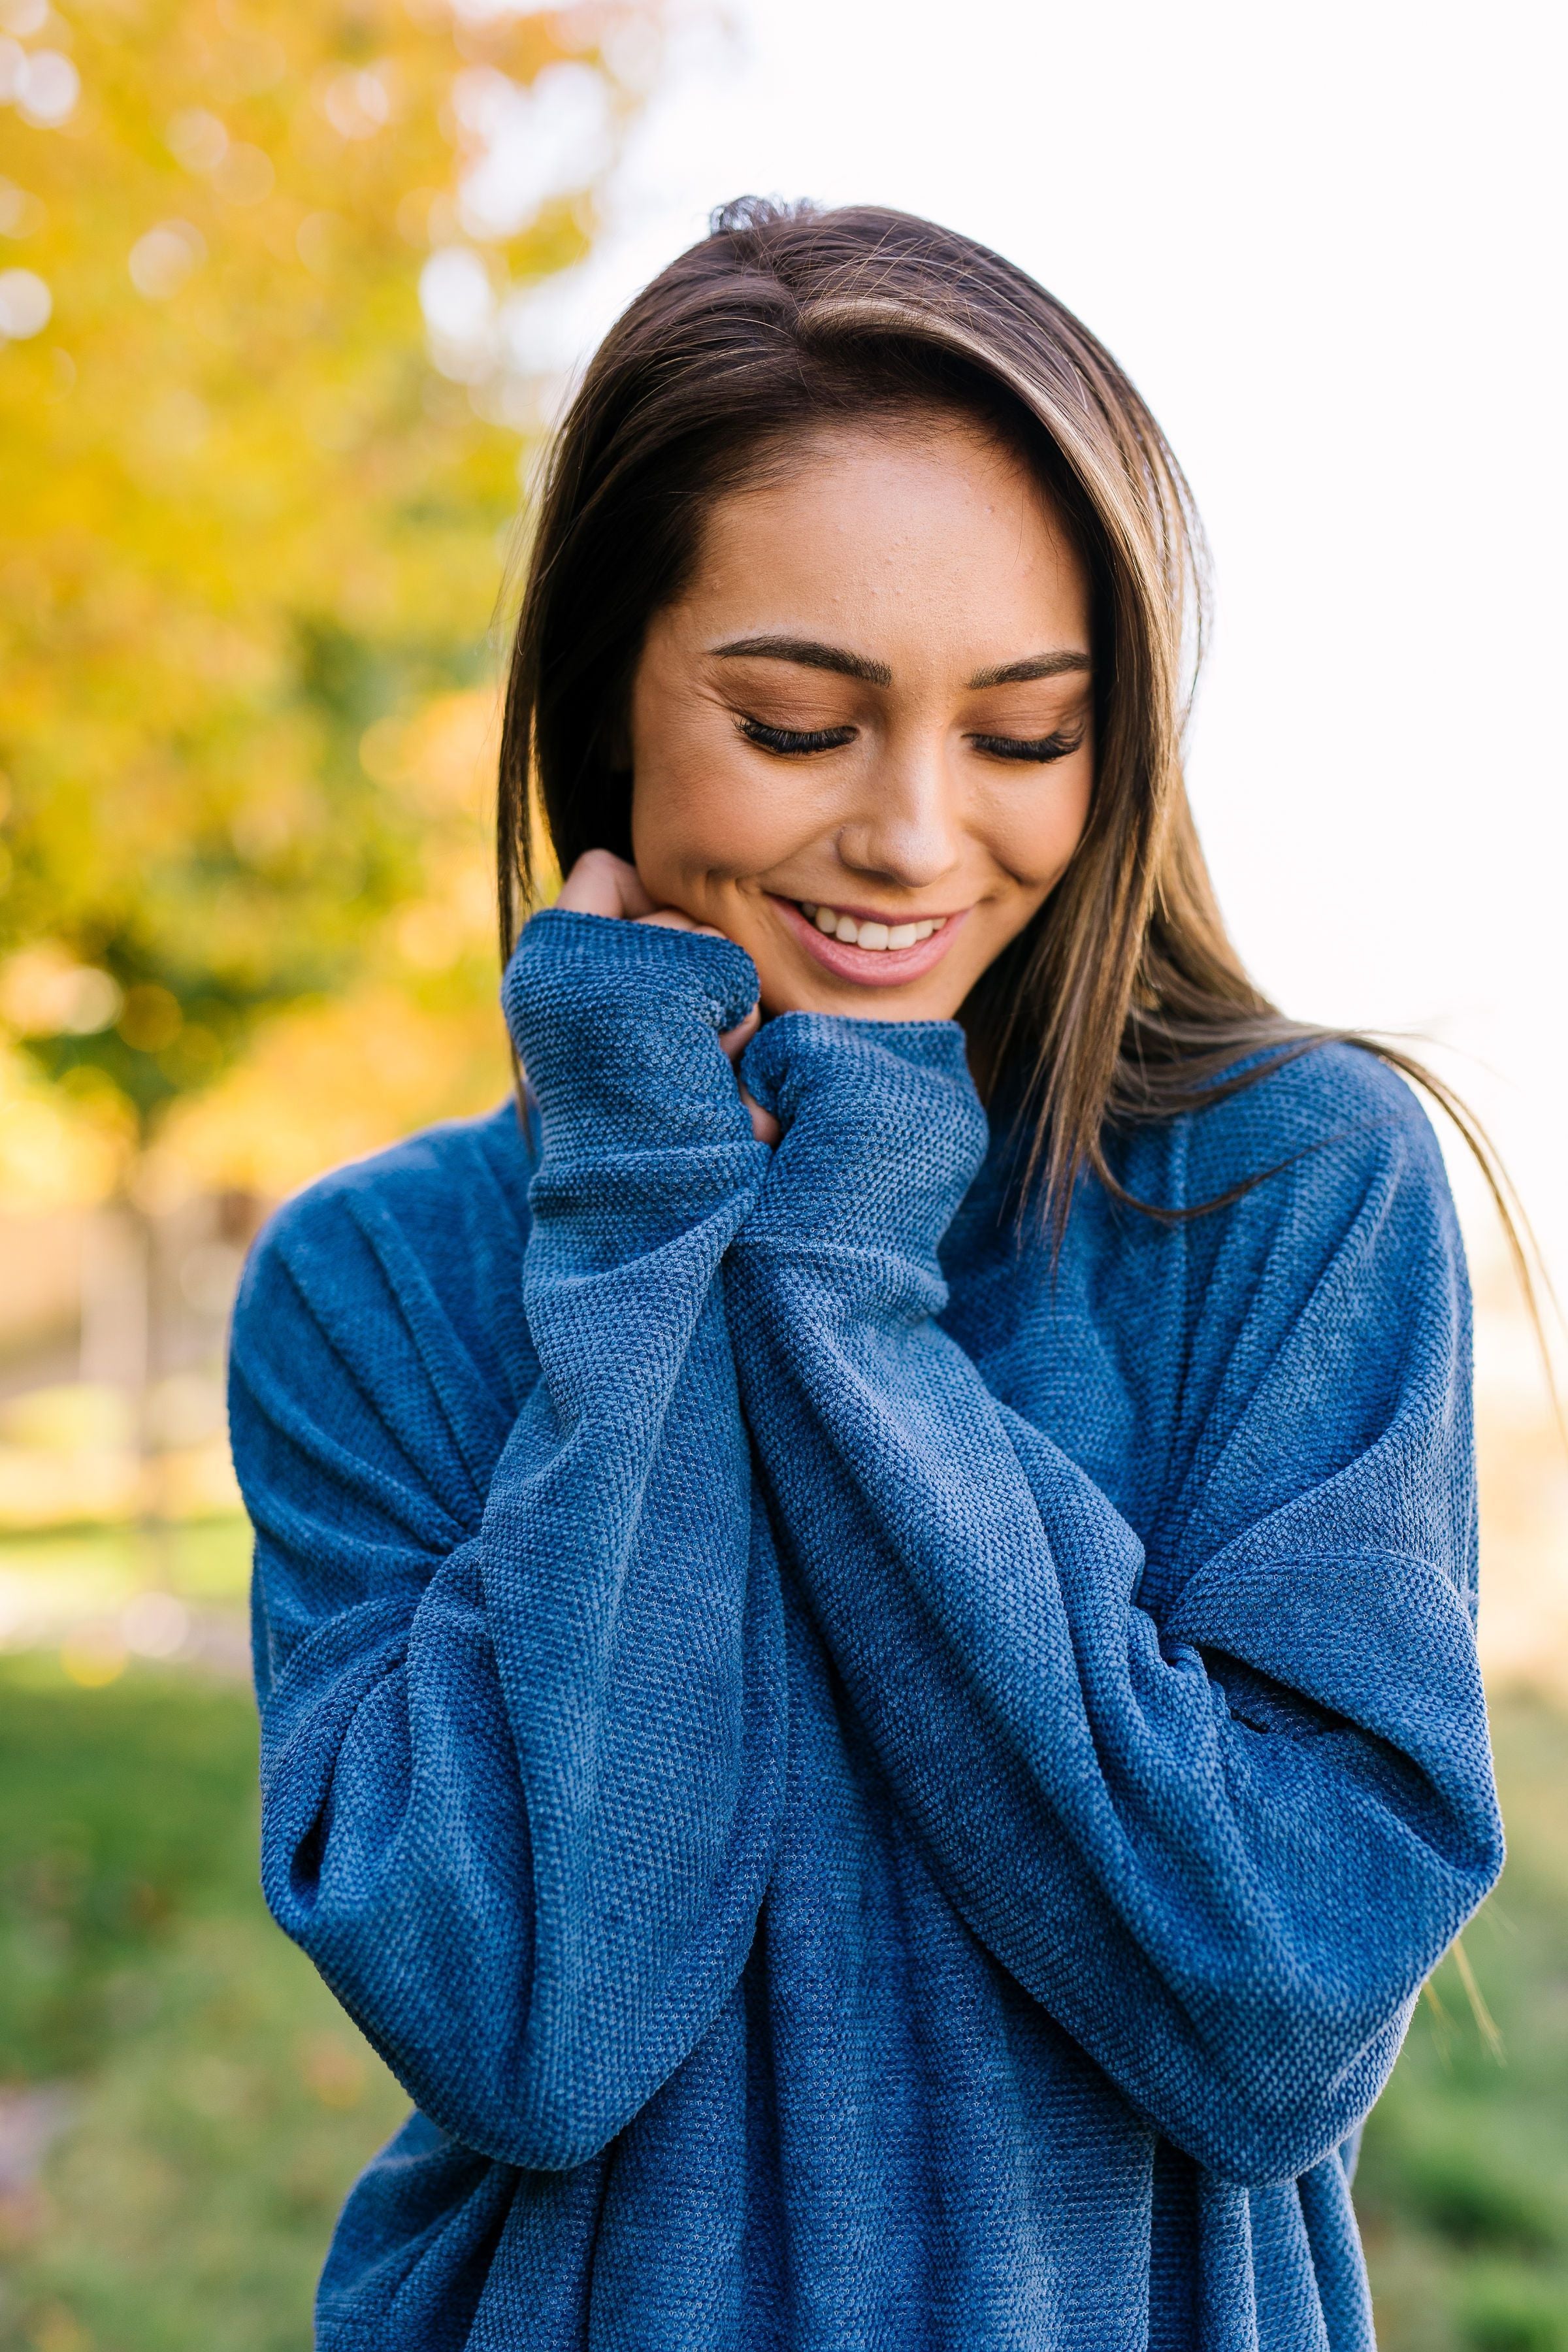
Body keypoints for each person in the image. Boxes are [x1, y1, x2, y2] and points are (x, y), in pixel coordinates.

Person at [229, 201, 1504, 2350]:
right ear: (607, 701)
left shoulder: (1291, 1193)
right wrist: (647, 1218)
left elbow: (1275, 2015)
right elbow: (529, 2026)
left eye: (1024, 736)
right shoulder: (374, 1288)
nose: (917, 834)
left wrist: (837, 1267)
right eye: (801, 724)